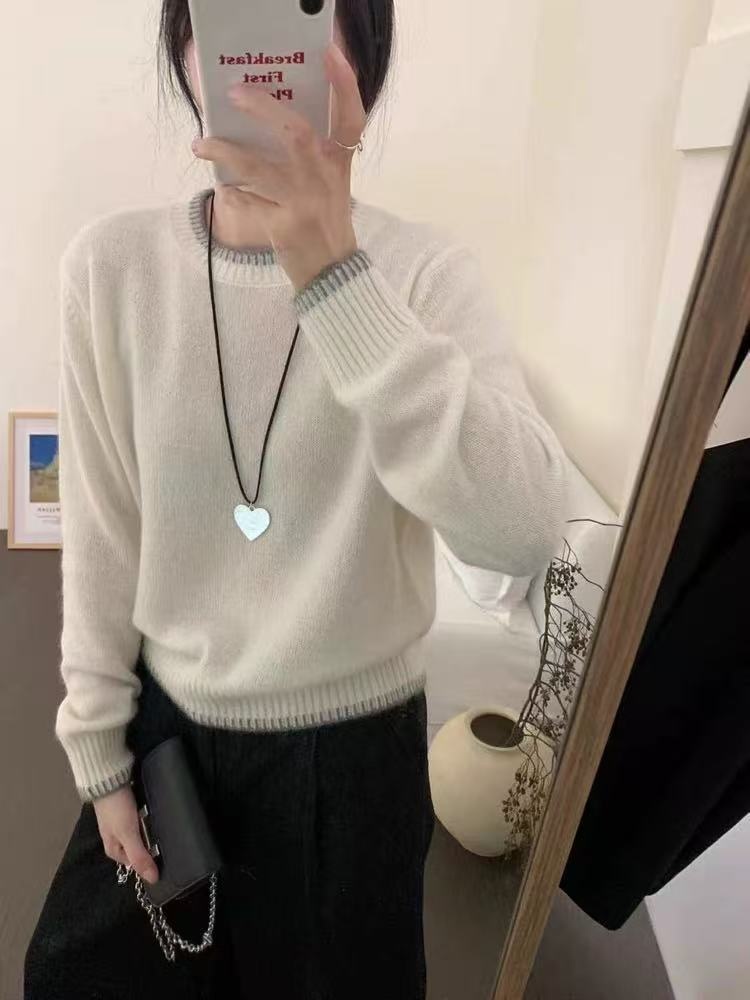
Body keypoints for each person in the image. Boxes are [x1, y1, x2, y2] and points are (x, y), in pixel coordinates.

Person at [24, 1, 566, 997]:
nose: (262, 42)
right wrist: (97, 748)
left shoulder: (425, 276)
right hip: (169, 733)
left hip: (355, 764)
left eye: (303, 10)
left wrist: (334, 275)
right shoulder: (110, 271)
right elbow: (104, 534)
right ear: (183, 47)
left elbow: (523, 528)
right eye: (228, 11)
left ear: (362, 53)